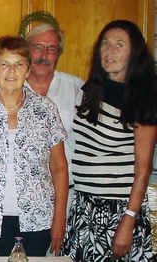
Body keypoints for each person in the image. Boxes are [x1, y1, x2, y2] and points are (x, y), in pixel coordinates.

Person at [0, 36, 68, 257]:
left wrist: (59, 217)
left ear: (27, 70)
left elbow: (59, 167)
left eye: (19, 64)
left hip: (37, 219)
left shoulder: (45, 110)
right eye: (4, 64)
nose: (11, 71)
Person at [60, 20, 157, 261]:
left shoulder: (142, 99)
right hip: (83, 207)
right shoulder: (91, 90)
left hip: (117, 211)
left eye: (119, 45)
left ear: (133, 54)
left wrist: (129, 219)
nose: (109, 50)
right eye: (105, 43)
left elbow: (143, 171)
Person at [24, 24, 84, 213]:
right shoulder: (9, 89)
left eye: (51, 49)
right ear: (26, 52)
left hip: (68, 194)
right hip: (24, 195)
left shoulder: (77, 89)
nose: (44, 55)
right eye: (37, 47)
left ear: (58, 55)